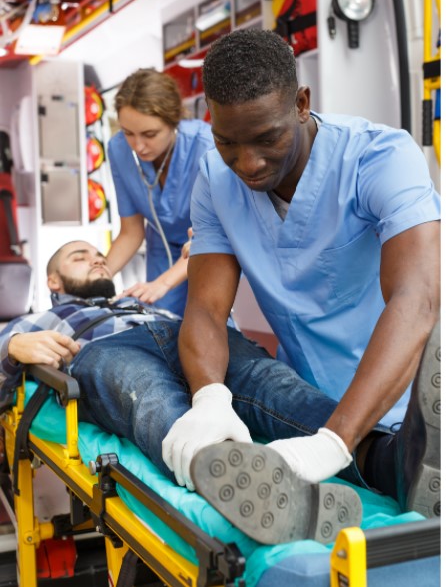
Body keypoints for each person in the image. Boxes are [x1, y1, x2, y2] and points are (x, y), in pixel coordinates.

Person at [158, 29, 441, 539]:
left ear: (302, 103)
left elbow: (416, 299)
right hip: (306, 404)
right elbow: (204, 307)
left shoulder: (379, 158)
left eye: (267, 138)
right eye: (227, 142)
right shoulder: (216, 181)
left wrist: (334, 442)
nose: (248, 163)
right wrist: (209, 400)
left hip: (408, 404)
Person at [0, 239, 439, 544]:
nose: (98, 260)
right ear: (53, 281)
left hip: (184, 337)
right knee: (150, 399)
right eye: (81, 257)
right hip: (103, 349)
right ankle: (239, 482)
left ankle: (395, 463)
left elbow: (207, 319)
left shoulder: (144, 299)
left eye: (100, 254)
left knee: (278, 388)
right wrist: (13, 346)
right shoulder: (36, 321)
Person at [106, 68, 214, 317]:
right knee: (160, 322)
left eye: (149, 134)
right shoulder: (119, 150)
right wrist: (96, 278)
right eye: (128, 133)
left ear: (174, 120)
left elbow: (213, 235)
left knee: (207, 321)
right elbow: (131, 232)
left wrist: (163, 283)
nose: (138, 146)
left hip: (207, 247)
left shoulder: (206, 147)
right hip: (161, 248)